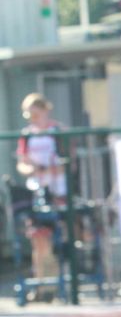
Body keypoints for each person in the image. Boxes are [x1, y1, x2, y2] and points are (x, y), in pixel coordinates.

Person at [16, 92, 67, 297]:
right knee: (38, 238)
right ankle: (42, 284)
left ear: (45, 110)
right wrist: (32, 169)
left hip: (58, 190)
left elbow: (66, 160)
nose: (32, 120)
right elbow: (22, 162)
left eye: (35, 115)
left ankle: (61, 282)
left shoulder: (57, 131)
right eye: (29, 116)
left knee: (61, 236)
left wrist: (49, 170)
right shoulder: (27, 134)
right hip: (36, 191)